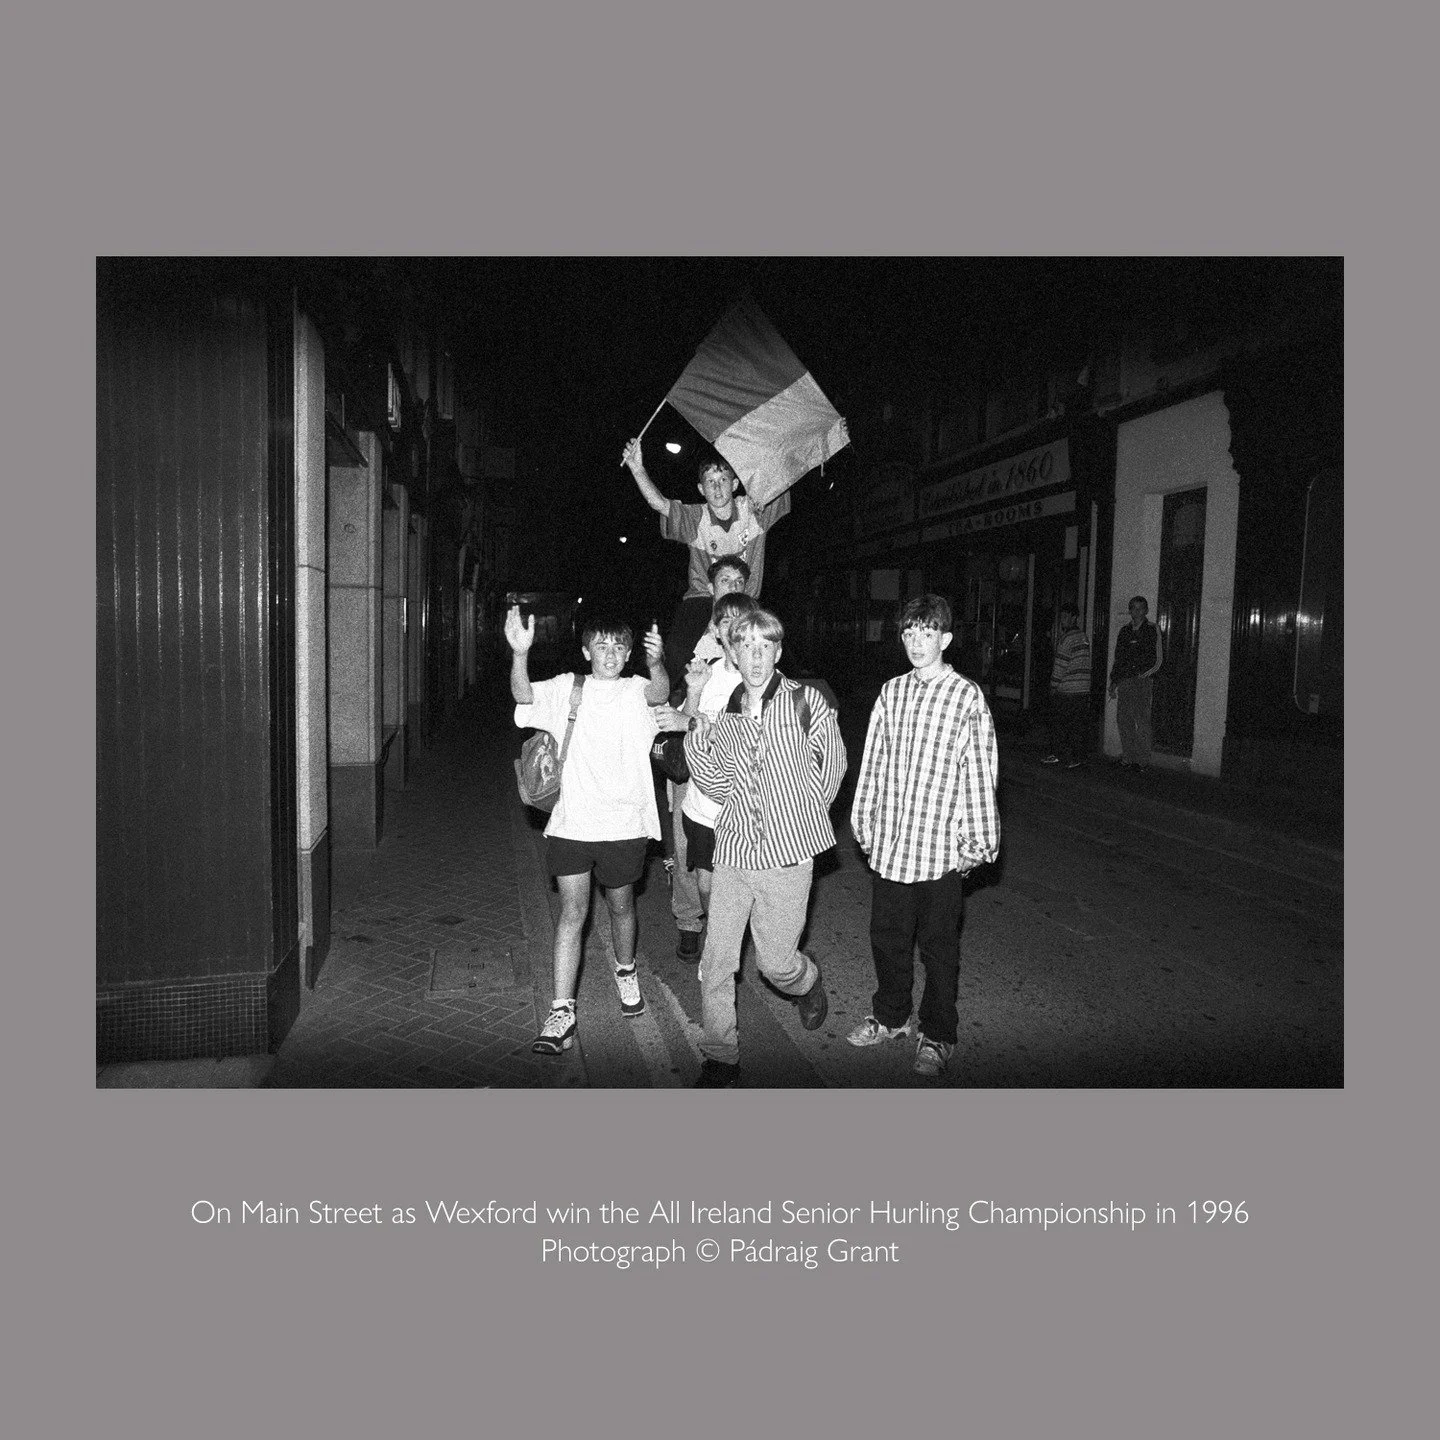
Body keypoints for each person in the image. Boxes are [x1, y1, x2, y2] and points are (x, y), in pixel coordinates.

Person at [507, 605, 682, 1054]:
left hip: (624, 824)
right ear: (586, 651)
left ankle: (626, 970)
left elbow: (660, 694)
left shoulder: (637, 689)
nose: (610, 655)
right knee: (572, 914)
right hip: (572, 823)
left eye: (619, 647)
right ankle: (561, 1011)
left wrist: (657, 662)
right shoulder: (569, 687)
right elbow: (524, 698)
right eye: (601, 646)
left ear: (628, 655)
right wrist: (520, 654)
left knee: (621, 907)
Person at [682, 608, 847, 1087]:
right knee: (716, 960)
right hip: (734, 851)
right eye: (745, 646)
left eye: (764, 646)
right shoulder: (727, 714)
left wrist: (799, 815)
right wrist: (696, 731)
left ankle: (806, 981)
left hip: (788, 856)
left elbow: (833, 766)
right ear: (732, 653)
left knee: (775, 965)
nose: (755, 657)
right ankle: (721, 1055)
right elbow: (717, 784)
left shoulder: (806, 702)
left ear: (778, 651)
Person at [848, 594, 1001, 1079]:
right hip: (893, 842)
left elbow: (979, 770)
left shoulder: (965, 696)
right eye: (909, 633)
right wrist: (865, 821)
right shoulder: (891, 692)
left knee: (939, 948)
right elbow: (873, 760)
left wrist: (976, 840)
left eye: (927, 633)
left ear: (946, 639)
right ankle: (892, 1017)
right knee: (888, 938)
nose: (916, 642)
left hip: (939, 848)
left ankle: (938, 1034)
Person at [622, 437, 791, 676]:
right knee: (678, 654)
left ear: (735, 484)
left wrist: (817, 442)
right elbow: (658, 503)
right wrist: (637, 468)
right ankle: (664, 690)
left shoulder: (753, 509)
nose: (717, 488)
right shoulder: (696, 518)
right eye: (710, 482)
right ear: (701, 489)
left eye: (723, 480)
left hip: (745, 598)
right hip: (703, 596)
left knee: (760, 646)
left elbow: (785, 480)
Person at [665, 563, 754, 960]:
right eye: (724, 581)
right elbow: (670, 693)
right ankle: (689, 921)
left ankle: (731, 936)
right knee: (689, 848)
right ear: (710, 586)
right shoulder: (691, 632)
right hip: (693, 767)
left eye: (739, 581)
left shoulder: (757, 646)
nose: (732, 586)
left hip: (741, 777)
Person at [1108, 595, 1163, 770]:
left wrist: (1144, 675)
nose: (1137, 611)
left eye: (1140, 608)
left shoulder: (1152, 629)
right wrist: (1114, 681)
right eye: (1133, 608)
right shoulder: (1124, 631)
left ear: (1146, 610)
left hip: (1142, 681)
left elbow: (1158, 659)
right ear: (1130, 611)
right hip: (1125, 680)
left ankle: (1142, 760)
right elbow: (1119, 658)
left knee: (1142, 720)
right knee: (1124, 720)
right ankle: (1128, 757)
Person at [1042, 604, 1093, 768]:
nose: (1062, 620)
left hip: (1068, 689)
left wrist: (1053, 685)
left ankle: (1059, 755)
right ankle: (1077, 757)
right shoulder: (1083, 637)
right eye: (1062, 617)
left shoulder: (1066, 639)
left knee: (1060, 725)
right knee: (1077, 725)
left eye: (1065, 617)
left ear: (1074, 618)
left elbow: (1060, 665)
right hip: (1082, 688)